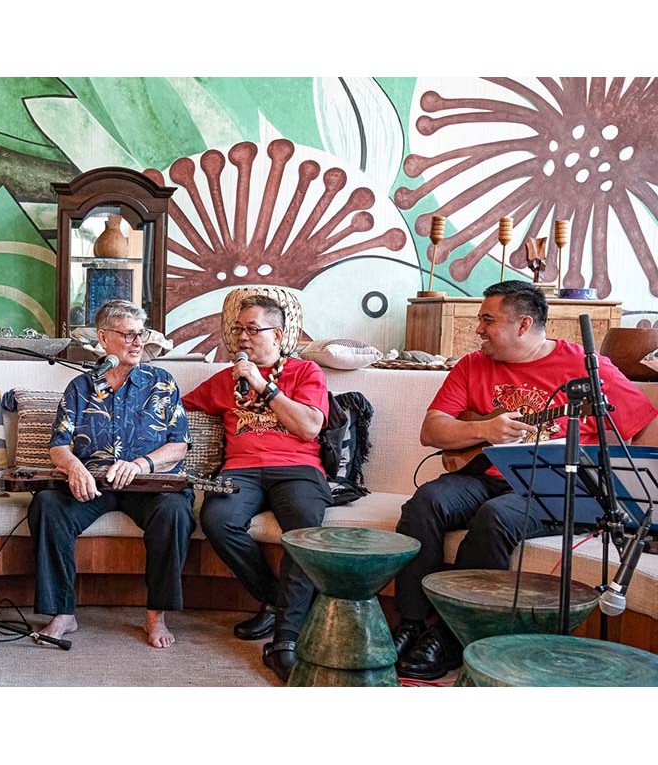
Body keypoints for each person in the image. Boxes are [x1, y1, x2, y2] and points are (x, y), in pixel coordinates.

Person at [393, 280, 658, 679]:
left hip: (556, 484)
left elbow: (645, 423)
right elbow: (432, 430)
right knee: (425, 502)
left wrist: (619, 482)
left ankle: (451, 634)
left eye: (488, 320)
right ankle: (411, 623)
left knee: (496, 516)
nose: (478, 329)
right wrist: (485, 430)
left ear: (523, 324)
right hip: (487, 476)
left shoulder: (586, 366)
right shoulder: (472, 365)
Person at [28, 300, 194, 649]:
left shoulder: (161, 383)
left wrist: (140, 464)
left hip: (149, 485)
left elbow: (179, 445)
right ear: (103, 338)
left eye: (141, 334)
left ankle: (156, 615)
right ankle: (63, 612)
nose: (138, 342)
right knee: (47, 504)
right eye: (128, 334)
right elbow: (58, 445)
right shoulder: (81, 387)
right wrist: (74, 467)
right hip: (94, 484)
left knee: (175, 510)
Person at [182, 295, 331, 682]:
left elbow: (309, 427)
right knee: (217, 519)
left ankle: (286, 640)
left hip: (298, 470)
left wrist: (263, 385)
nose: (242, 338)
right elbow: (178, 410)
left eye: (252, 329)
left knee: (304, 528)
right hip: (241, 470)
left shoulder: (305, 372)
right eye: (238, 330)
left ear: (277, 335)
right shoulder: (224, 380)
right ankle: (279, 601)